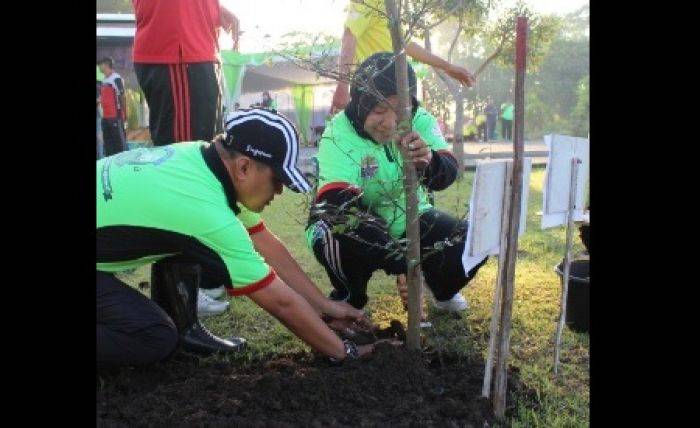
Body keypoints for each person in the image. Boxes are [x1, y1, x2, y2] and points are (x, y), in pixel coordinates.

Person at [97, 108, 372, 367]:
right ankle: (174, 334)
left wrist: (322, 306)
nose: (279, 191)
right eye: (276, 180)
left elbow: (264, 242)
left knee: (188, 245)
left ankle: (186, 332)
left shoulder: (197, 159)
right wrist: (342, 352)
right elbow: (280, 302)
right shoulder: (206, 213)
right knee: (154, 337)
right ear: (244, 167)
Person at [307, 53, 488, 313]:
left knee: (476, 238)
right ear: (360, 103)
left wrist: (429, 161)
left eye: (401, 111)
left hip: (409, 217)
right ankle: (350, 298)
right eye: (380, 110)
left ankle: (441, 289)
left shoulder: (421, 118)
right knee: (332, 236)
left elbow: (447, 172)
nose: (390, 124)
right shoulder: (338, 133)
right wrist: (403, 263)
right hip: (356, 220)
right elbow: (339, 208)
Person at [330, 0, 475, 112]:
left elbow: (405, 45)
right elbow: (350, 36)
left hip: (395, 86)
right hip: (373, 87)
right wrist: (342, 86)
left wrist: (448, 67)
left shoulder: (390, 8)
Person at [132, 0, 239, 146]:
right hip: (178, 49)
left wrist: (211, 8)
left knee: (209, 147)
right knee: (187, 152)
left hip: (198, 46)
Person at [98, 57, 128, 156]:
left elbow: (122, 96)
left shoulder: (116, 78)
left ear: (106, 64)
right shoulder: (104, 80)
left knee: (120, 143)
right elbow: (103, 98)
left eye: (100, 64)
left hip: (115, 116)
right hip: (105, 118)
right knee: (108, 144)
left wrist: (125, 113)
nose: (99, 67)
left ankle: (124, 162)